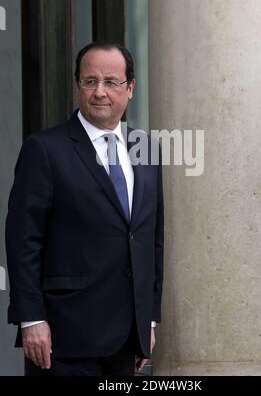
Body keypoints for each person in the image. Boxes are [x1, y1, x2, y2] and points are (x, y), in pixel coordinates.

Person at [5, 42, 164, 376]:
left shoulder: (146, 148)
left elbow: (152, 239)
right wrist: (32, 318)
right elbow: (23, 242)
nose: (99, 92)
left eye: (111, 82)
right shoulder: (45, 150)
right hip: (66, 336)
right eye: (89, 81)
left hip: (126, 338)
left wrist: (147, 318)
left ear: (131, 88)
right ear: (77, 85)